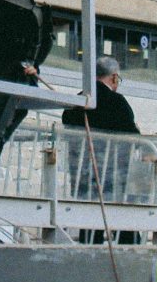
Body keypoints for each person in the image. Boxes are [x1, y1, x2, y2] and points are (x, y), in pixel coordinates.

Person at [59, 55, 138, 198]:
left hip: (79, 178)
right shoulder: (117, 102)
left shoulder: (77, 101)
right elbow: (134, 138)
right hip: (108, 180)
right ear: (114, 77)